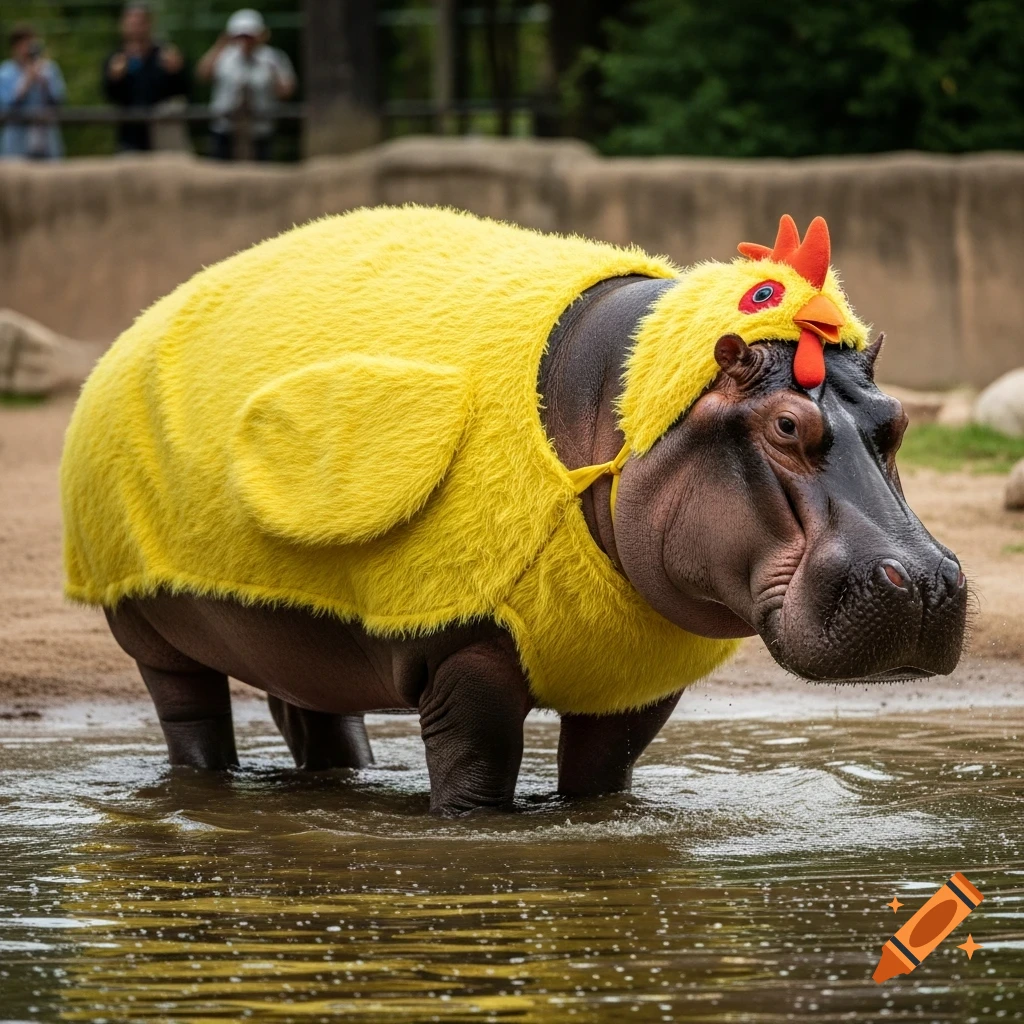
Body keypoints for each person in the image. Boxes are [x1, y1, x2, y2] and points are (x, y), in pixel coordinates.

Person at [197, 9, 296, 161]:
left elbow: (286, 91)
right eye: (240, 35)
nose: (245, 41)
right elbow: (202, 75)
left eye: (249, 36)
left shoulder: (273, 58)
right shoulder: (224, 56)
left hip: (260, 131)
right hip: (225, 129)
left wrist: (274, 72)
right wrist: (219, 46)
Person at [102, 2, 188, 153]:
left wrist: (177, 71)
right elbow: (109, 96)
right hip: (130, 136)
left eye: (140, 22)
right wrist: (114, 78)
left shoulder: (165, 54)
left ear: (149, 23)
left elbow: (184, 91)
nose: (135, 27)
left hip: (163, 135)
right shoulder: (116, 58)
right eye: (131, 22)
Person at [0, 24, 66, 160]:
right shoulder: (5, 72)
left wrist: (45, 81)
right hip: (17, 144)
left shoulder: (49, 69)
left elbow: (59, 100)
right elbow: (6, 106)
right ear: (15, 47)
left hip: (47, 143)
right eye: (24, 44)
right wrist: (26, 80)